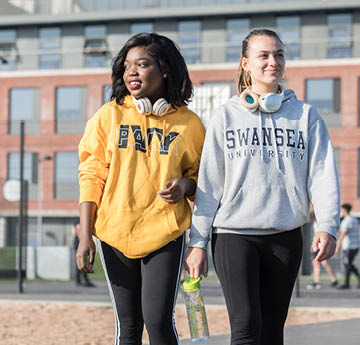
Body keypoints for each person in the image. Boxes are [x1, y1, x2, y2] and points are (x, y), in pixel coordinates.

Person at [185, 29, 340, 345]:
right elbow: (210, 183)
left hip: (285, 234)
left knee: (272, 331)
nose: (274, 62)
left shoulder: (306, 116)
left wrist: (328, 226)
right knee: (245, 327)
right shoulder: (225, 116)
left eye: (279, 54)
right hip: (233, 234)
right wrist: (198, 241)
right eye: (264, 55)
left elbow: (323, 175)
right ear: (245, 63)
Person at [77, 32, 205, 345]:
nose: (132, 71)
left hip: (165, 233)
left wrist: (186, 184)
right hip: (114, 232)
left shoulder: (189, 124)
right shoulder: (108, 116)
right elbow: (91, 174)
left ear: (165, 69)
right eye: (127, 65)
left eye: (143, 64)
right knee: (129, 326)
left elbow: (203, 177)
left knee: (158, 321)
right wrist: (85, 234)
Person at [306, 212, 338, 290]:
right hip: (318, 246)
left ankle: (327, 280)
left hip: (320, 246)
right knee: (319, 263)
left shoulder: (319, 224)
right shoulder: (315, 223)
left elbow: (320, 235)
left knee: (321, 263)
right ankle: (319, 281)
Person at [336, 203, 360, 289]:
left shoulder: (347, 221)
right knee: (348, 264)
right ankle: (347, 284)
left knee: (347, 264)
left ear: (345, 210)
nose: (341, 212)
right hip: (354, 246)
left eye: (342, 210)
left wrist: (337, 245)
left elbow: (343, 233)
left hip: (350, 246)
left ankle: (347, 284)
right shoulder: (354, 220)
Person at [72, 222, 95, 287]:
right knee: (80, 263)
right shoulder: (77, 225)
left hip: (81, 243)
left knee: (82, 263)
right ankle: (81, 280)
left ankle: (83, 280)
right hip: (78, 244)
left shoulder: (79, 225)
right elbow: (74, 233)